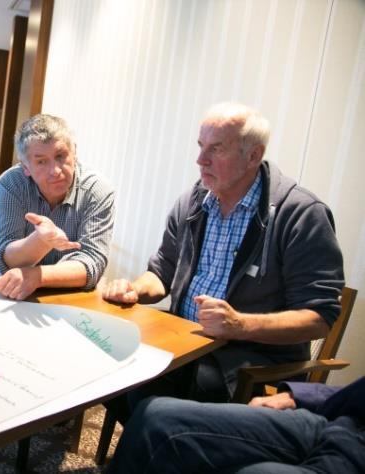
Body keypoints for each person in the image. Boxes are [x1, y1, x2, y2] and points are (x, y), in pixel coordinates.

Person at [102, 102, 344, 406]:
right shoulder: (193, 201)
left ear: (253, 155)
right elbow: (163, 270)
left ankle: (158, 443)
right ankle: (155, 445)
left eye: (216, 149)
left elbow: (319, 318)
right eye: (201, 146)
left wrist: (239, 325)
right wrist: (134, 289)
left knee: (153, 396)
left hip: (249, 357)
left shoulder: (301, 215)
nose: (200, 160)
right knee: (110, 364)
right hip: (185, 339)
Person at [108, 377, 365, 473]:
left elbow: (318, 318)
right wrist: (298, 395)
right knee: (156, 414)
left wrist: (238, 323)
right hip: (341, 420)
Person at [0, 114, 115, 300]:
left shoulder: (97, 190)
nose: (55, 171)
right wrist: (40, 241)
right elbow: (4, 259)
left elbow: (93, 262)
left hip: (75, 296)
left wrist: (38, 276)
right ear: (25, 167)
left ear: (74, 153)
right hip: (17, 293)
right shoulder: (11, 184)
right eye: (41, 161)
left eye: (60, 156)